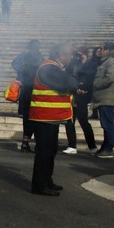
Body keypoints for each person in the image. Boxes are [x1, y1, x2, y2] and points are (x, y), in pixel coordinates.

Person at [28, 43, 80, 196]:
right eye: (69, 55)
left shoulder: (53, 67)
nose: (71, 57)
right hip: (44, 117)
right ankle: (39, 185)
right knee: (44, 152)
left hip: (50, 118)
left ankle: (47, 180)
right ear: (62, 55)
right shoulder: (48, 67)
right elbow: (68, 82)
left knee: (50, 151)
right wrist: (76, 84)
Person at [63, 47, 98, 154]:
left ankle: (92, 146)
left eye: (81, 54)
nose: (78, 56)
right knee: (69, 122)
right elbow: (68, 76)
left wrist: (84, 88)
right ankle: (72, 145)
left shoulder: (90, 64)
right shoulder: (73, 64)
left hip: (82, 97)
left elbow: (90, 79)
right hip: (72, 95)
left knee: (84, 122)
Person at [12, 40, 42, 152]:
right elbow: (14, 63)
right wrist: (22, 71)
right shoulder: (24, 56)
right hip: (28, 89)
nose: (36, 48)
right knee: (29, 118)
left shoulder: (40, 57)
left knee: (31, 118)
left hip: (34, 89)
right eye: (34, 46)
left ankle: (26, 142)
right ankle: (25, 142)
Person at [93, 42, 114, 158]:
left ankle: (109, 147)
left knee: (107, 124)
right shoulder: (105, 62)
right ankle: (105, 146)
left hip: (107, 98)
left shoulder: (111, 61)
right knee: (105, 124)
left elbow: (111, 77)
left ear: (108, 50)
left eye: (102, 49)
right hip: (103, 98)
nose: (100, 51)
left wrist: (96, 84)